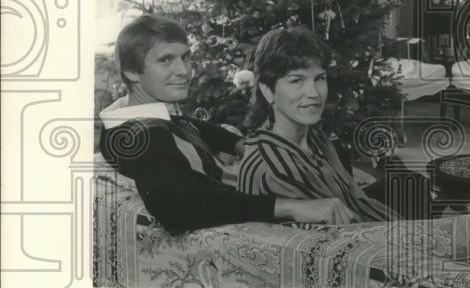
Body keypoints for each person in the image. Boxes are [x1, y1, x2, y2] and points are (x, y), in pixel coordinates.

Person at [99, 15, 351, 233]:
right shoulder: (138, 136)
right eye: (166, 60)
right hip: (255, 200)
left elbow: (192, 126)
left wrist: (239, 144)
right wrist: (290, 207)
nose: (184, 70)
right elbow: (173, 204)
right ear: (132, 72)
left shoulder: (138, 112)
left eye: (185, 57)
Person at [238, 27, 407, 221]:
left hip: (377, 228)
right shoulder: (273, 168)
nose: (314, 93)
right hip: (361, 243)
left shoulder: (315, 138)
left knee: (408, 181)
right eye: (296, 81)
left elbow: (356, 201)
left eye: (319, 79)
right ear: (268, 91)